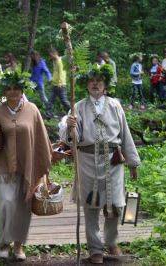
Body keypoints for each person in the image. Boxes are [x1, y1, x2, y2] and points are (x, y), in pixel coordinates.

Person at [59, 65, 140, 264]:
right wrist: (70, 128)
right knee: (90, 205)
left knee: (116, 206)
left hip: (113, 160)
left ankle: (112, 242)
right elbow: (73, 140)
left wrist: (132, 163)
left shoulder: (115, 105)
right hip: (87, 162)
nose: (95, 84)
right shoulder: (77, 107)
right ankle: (95, 248)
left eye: (99, 81)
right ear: (87, 85)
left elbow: (125, 134)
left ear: (105, 86)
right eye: (92, 81)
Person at [0, 71, 52, 260]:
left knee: (22, 207)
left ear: (22, 89)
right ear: (3, 91)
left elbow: (42, 139)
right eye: (8, 89)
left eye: (16, 88)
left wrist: (46, 165)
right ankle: (2, 243)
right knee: (4, 204)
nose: (12, 92)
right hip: (2, 165)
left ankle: (18, 246)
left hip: (26, 167)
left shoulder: (32, 110)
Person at [47, 48, 70, 117]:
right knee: (51, 100)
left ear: (54, 54)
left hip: (60, 85)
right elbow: (55, 72)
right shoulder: (54, 61)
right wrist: (52, 80)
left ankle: (72, 111)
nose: (50, 57)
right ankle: (48, 114)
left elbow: (61, 73)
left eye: (50, 55)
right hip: (55, 84)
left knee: (64, 101)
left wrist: (60, 82)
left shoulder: (60, 61)